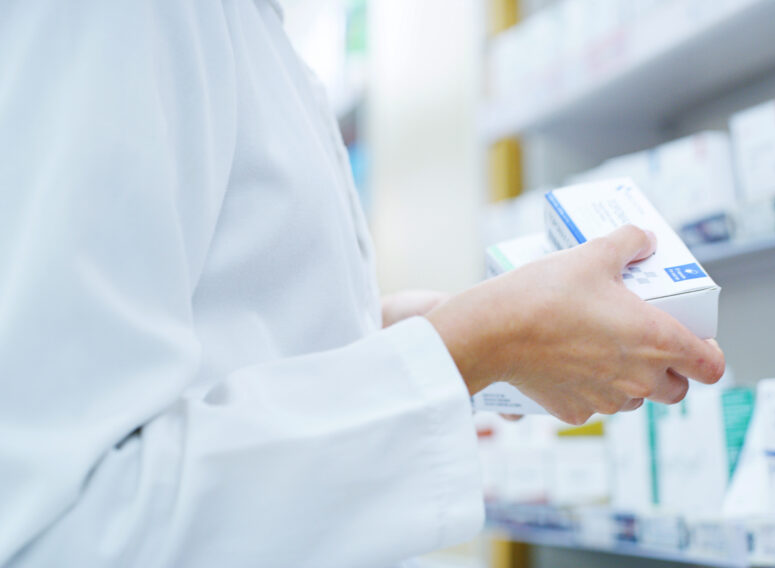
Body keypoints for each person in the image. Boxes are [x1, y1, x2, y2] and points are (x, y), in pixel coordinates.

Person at [0, 1, 724, 566]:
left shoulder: (254, 30)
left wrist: (376, 334)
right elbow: (63, 522)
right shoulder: (120, 16)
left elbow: (199, 338)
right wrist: (477, 344)